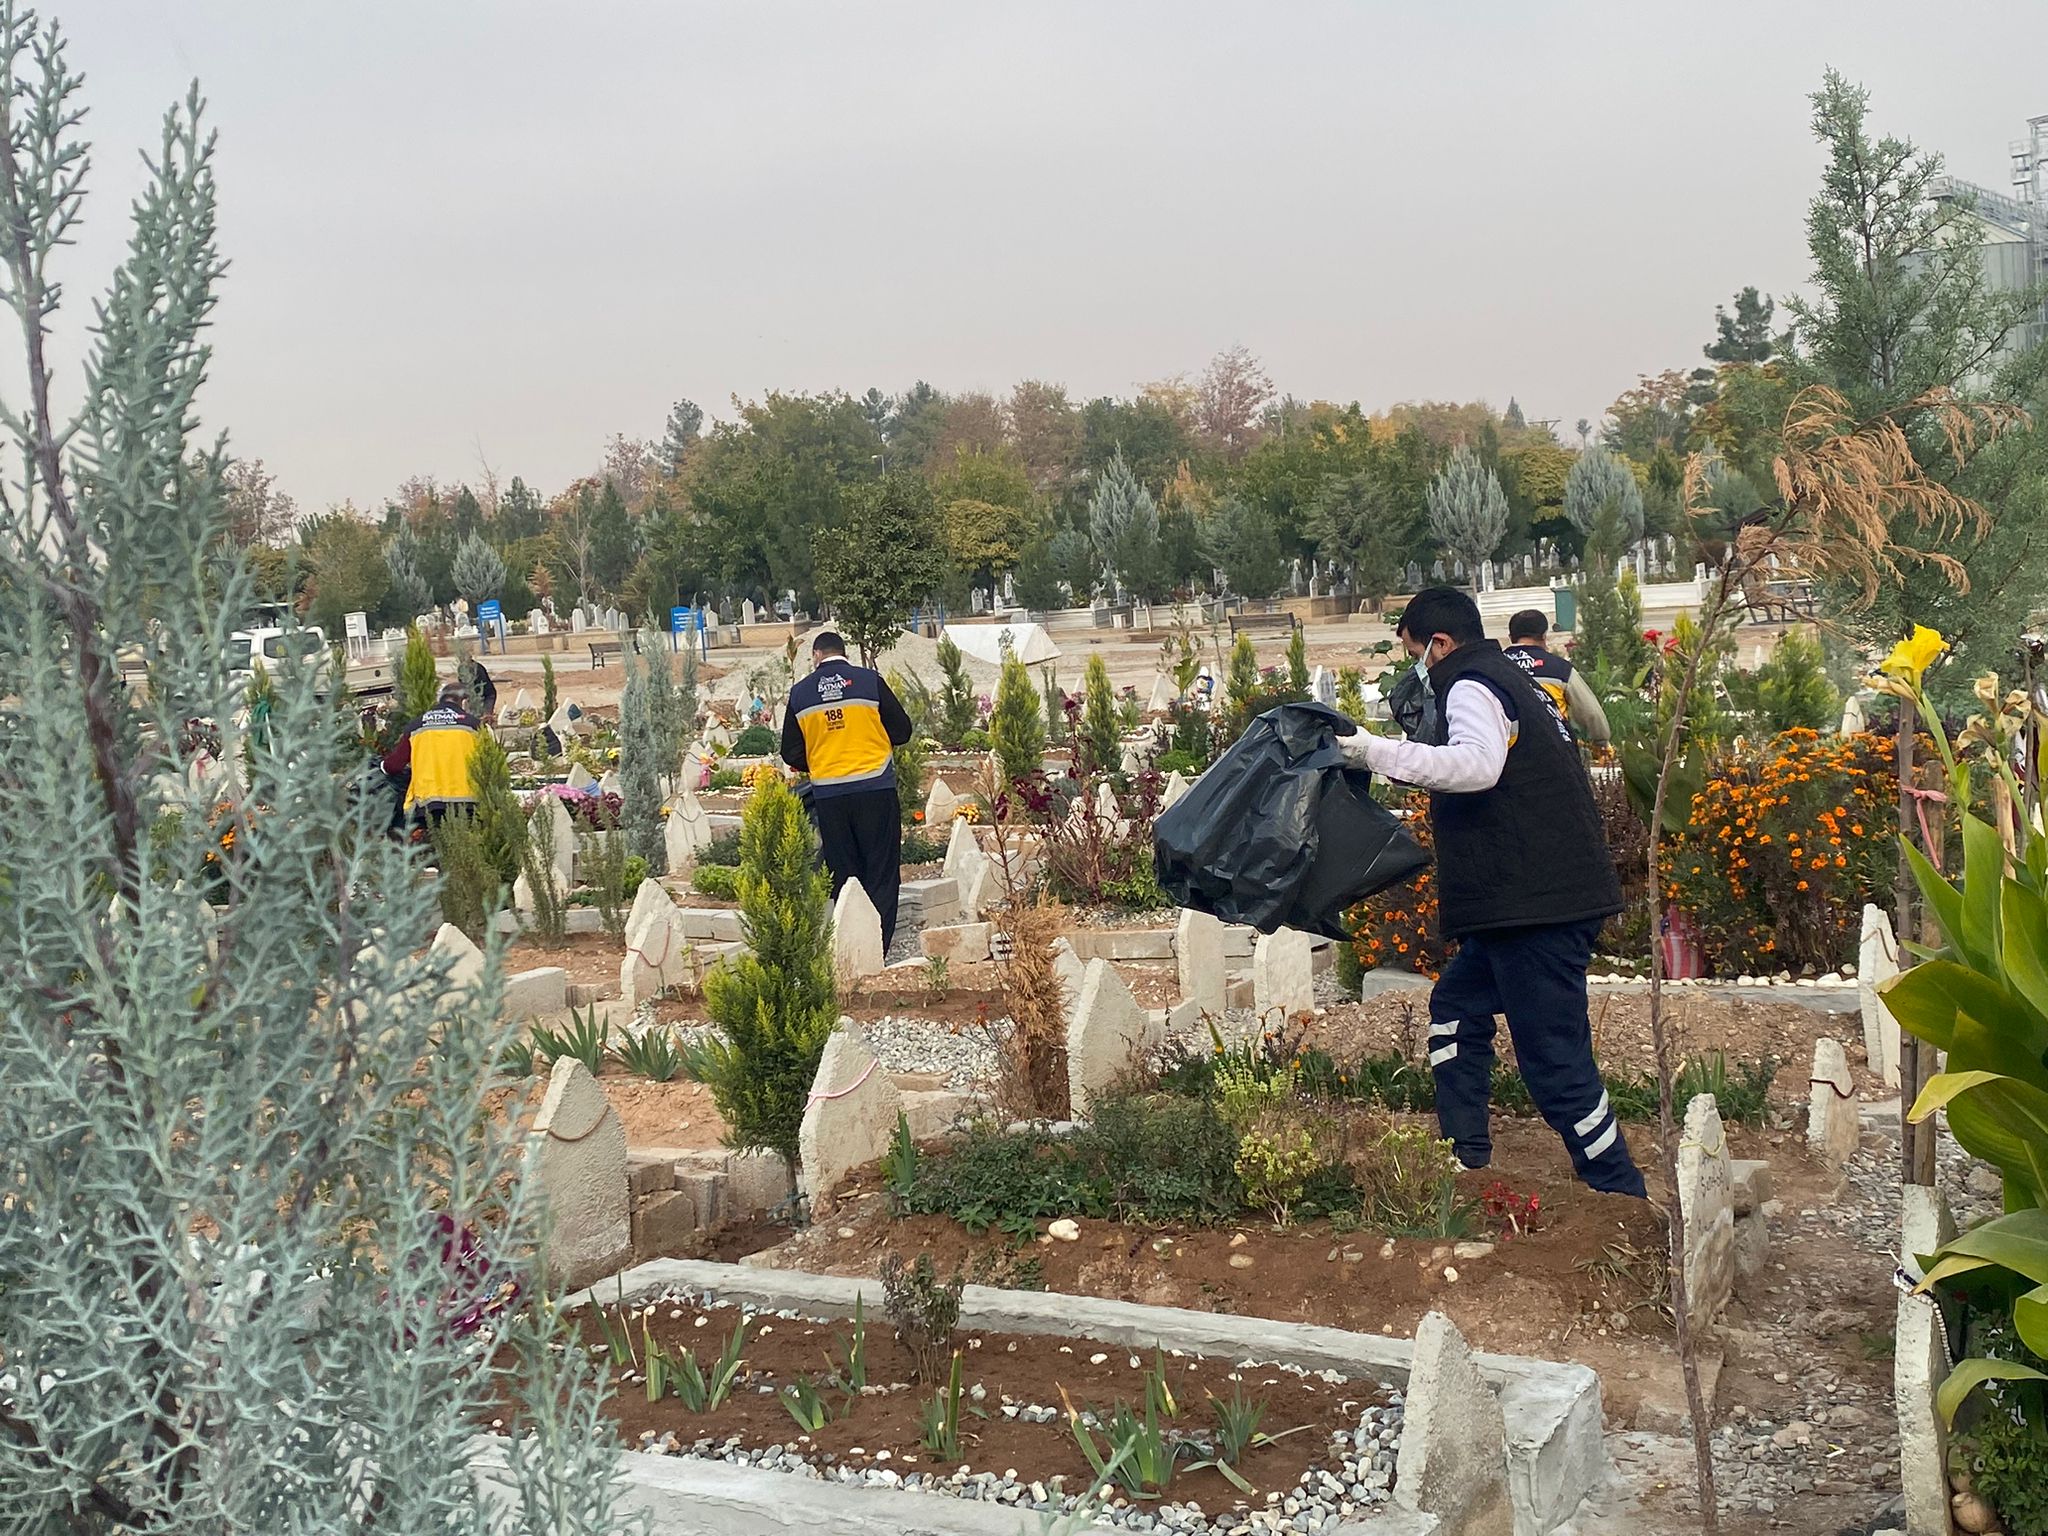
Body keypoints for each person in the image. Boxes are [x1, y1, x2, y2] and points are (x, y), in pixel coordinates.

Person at [1339, 587, 1644, 1197]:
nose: (1418, 671)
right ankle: (1467, 1158)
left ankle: (1621, 1194)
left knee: (1556, 1063)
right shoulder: (1512, 677)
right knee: (1457, 1007)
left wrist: (1372, 752)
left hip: (1535, 907)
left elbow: (1477, 768)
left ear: (1440, 644)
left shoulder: (1471, 683)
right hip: (1529, 901)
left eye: (1416, 655)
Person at [780, 630, 915, 946]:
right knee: (881, 871)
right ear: (845, 653)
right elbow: (902, 731)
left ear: (816, 655)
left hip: (830, 795)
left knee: (844, 874)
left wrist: (823, 758)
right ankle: (879, 946)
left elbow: (790, 751)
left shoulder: (800, 693)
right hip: (875, 788)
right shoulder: (869, 682)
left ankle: (852, 945)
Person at [1504, 609, 1610, 746]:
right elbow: (1592, 713)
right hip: (1555, 748)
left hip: (1508, 751)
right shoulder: (1560, 669)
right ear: (1544, 636)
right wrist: (1601, 741)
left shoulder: (1495, 668)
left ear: (1511, 637)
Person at [399, 681, 483, 826]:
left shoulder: (416, 725)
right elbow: (490, 760)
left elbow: (395, 764)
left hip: (428, 805)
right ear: (463, 702)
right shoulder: (474, 725)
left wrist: (382, 767)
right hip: (469, 803)